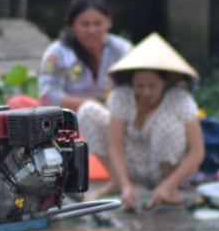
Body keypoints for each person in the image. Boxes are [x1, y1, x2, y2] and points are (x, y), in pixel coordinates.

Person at [81, 32, 205, 212]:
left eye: (152, 86)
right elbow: (115, 144)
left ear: (165, 82)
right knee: (87, 111)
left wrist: (168, 184)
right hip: (130, 162)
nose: (146, 92)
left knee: (166, 122)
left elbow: (197, 152)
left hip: (161, 168)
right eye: (140, 86)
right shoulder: (122, 96)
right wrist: (125, 184)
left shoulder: (180, 101)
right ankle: (116, 182)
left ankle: (169, 188)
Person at [38, 0, 132, 111]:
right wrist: (90, 105)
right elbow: (49, 95)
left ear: (109, 22)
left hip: (115, 117)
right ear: (72, 25)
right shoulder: (56, 53)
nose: (92, 30)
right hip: (69, 119)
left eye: (97, 24)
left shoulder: (122, 49)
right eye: (85, 24)